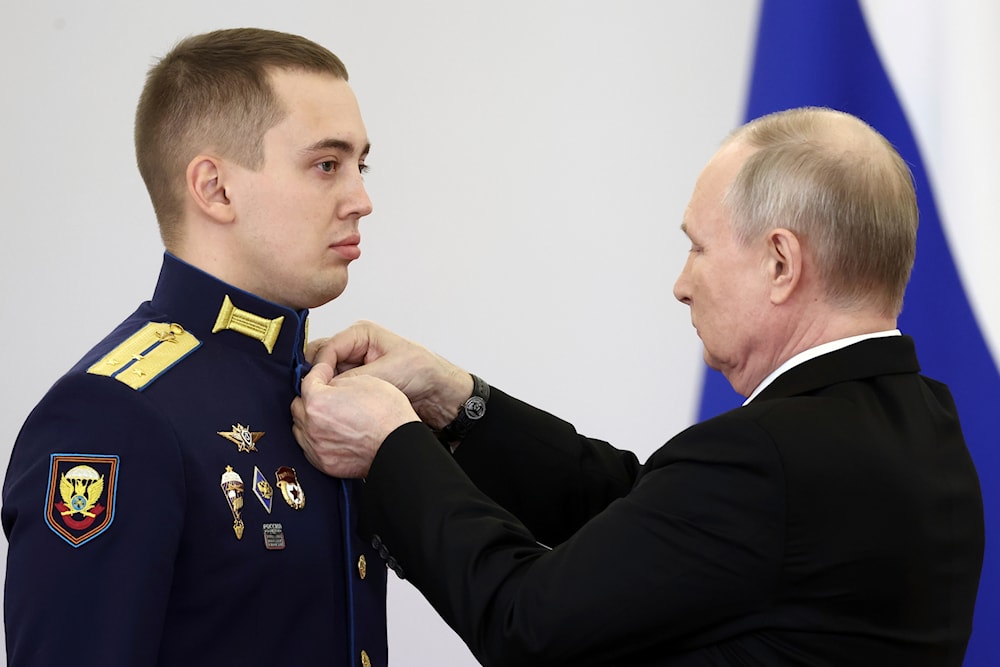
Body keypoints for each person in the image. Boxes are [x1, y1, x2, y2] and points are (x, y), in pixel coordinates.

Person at [292, 107, 985, 666]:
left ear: (780, 262)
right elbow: (646, 515)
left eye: (698, 247)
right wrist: (460, 401)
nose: (681, 285)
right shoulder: (923, 421)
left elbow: (525, 622)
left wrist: (394, 445)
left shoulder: (770, 456)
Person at [2, 28, 387, 666]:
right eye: (326, 165)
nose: (362, 200)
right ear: (215, 188)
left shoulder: (318, 385)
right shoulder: (113, 416)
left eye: (360, 164)